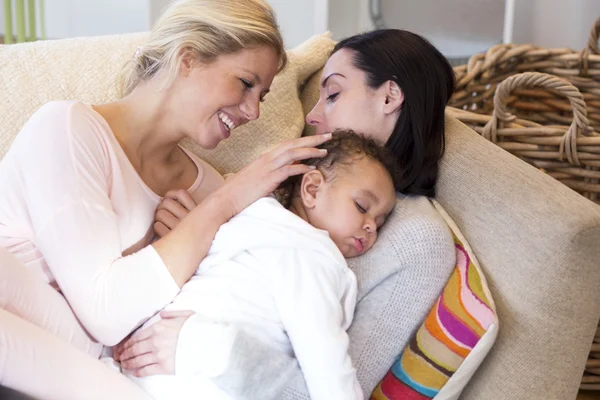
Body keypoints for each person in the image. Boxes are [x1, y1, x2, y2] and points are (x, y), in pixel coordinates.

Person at [0, 0, 331, 398]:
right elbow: (106, 313)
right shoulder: (66, 130)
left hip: (111, 370)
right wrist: (221, 205)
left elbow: (197, 313)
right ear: (188, 59)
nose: (254, 111)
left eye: (261, 95)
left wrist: (191, 232)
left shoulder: (204, 187)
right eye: (246, 83)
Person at [116, 29, 458, 399]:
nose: (313, 115)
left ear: (389, 96)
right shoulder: (303, 177)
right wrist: (192, 237)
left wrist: (206, 346)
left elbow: (326, 385)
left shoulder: (417, 243)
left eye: (333, 94)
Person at [115, 131, 398, 400]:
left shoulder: (249, 217)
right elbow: (324, 354)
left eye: (381, 222)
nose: (371, 226)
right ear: (312, 189)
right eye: (362, 206)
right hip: (207, 379)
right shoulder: (312, 255)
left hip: (142, 359)